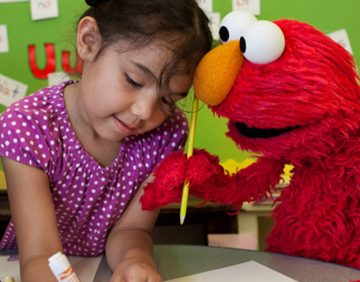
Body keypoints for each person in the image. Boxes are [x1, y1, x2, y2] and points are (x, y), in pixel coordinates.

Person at [0, 0, 212, 281]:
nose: (145, 112)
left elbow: (131, 231)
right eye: (134, 81)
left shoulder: (167, 134)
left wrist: (135, 260)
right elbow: (40, 255)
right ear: (89, 41)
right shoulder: (27, 126)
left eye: (167, 100)